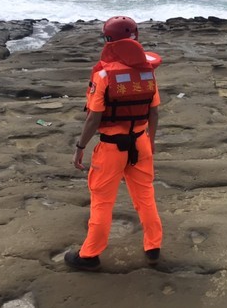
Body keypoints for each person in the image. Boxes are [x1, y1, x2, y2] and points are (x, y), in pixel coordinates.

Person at [65, 15, 163, 272]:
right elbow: (154, 113)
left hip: (111, 148)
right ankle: (153, 248)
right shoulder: (148, 72)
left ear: (108, 40)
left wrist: (80, 147)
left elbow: (94, 117)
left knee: (102, 202)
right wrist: (150, 144)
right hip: (141, 143)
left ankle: (89, 256)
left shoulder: (105, 75)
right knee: (145, 197)